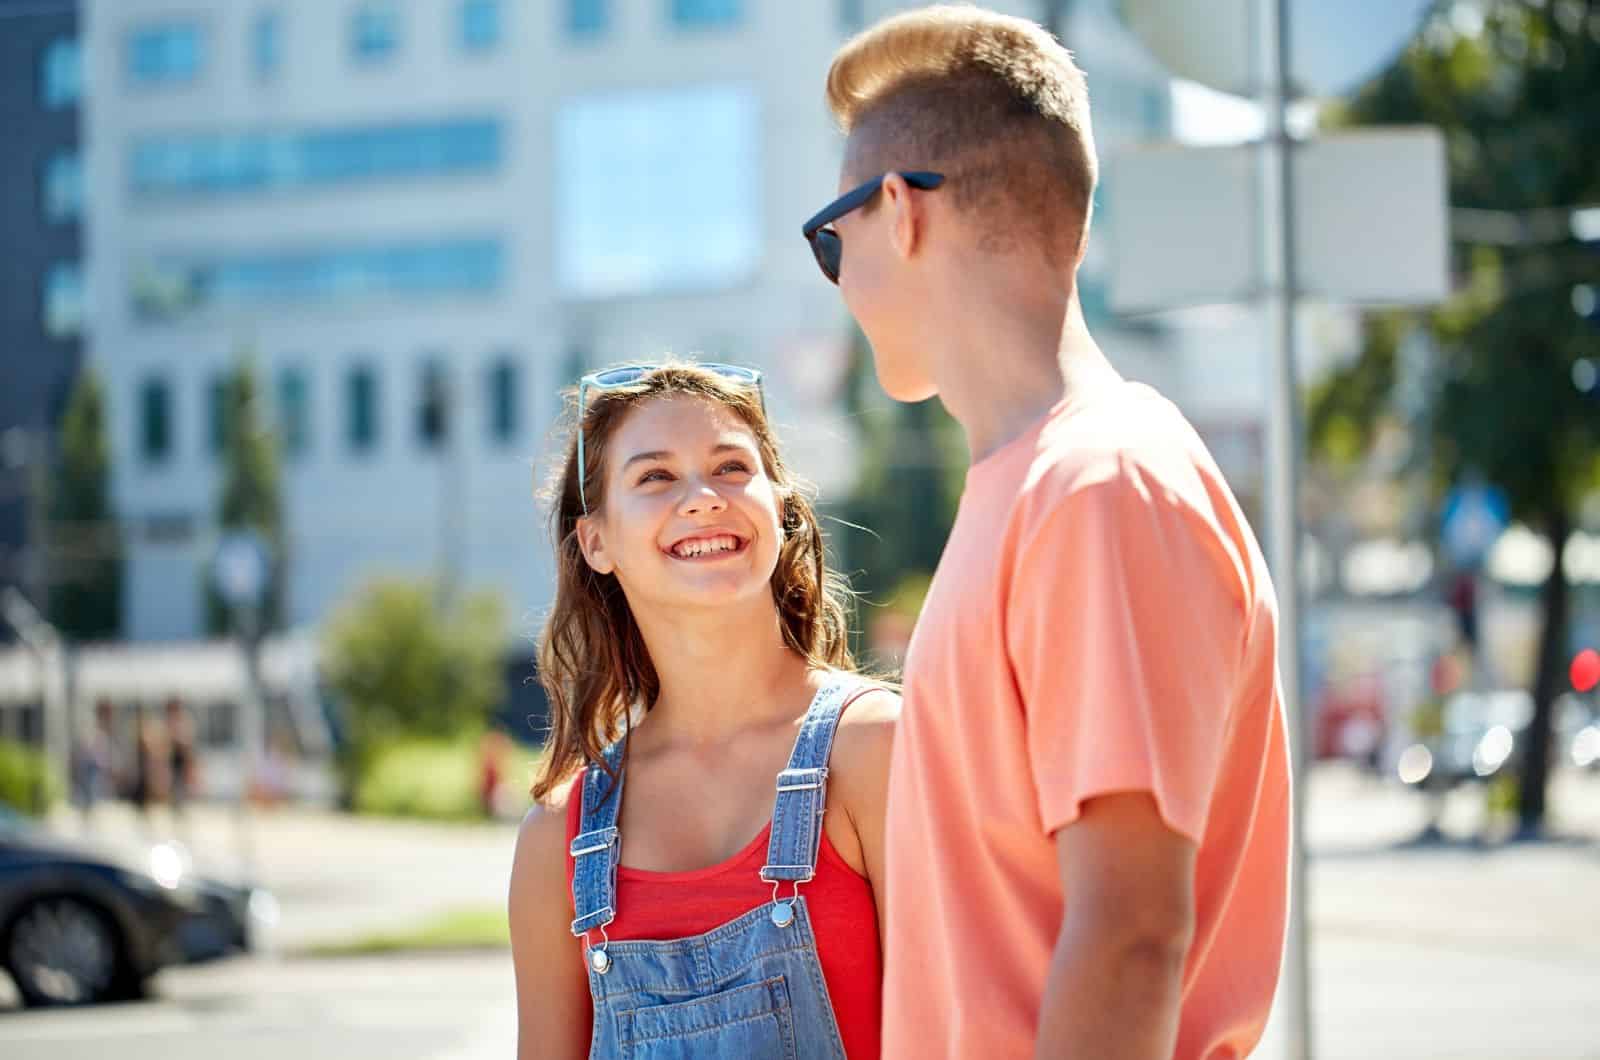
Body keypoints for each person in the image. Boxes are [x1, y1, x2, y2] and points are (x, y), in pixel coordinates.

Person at [807, 8, 1292, 1058]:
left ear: (899, 212)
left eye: (828, 239)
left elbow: (1130, 933)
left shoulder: (1095, 487)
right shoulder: (1035, 486)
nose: (835, 277)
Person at [508, 362, 898, 1060]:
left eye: (729, 467)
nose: (703, 498)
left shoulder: (878, 751)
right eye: (655, 477)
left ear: (779, 506)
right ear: (595, 541)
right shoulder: (556, 842)